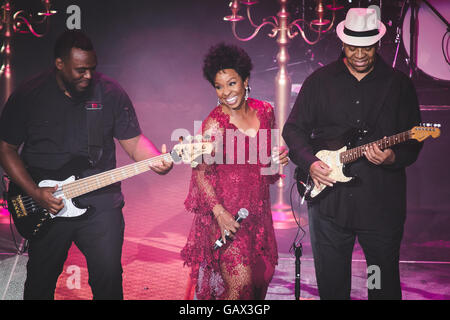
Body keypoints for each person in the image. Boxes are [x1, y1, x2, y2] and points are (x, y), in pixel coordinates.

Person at [0, 30, 173, 300]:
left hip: (101, 201)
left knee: (108, 282)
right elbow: (6, 149)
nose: (88, 76)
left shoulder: (110, 93)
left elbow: (134, 141)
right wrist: (35, 193)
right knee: (39, 283)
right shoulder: (29, 95)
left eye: (92, 69)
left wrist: (155, 160)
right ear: (59, 64)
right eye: (80, 70)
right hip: (47, 201)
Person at [282, 7, 423, 300]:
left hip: (381, 206)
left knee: (380, 285)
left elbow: (414, 141)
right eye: (353, 47)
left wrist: (392, 158)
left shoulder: (398, 85)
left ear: (378, 44)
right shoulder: (319, 82)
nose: (359, 54)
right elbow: (293, 131)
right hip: (329, 204)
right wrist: (311, 162)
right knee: (333, 289)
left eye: (367, 48)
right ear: (343, 43)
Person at [181, 43, 289, 300]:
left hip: (258, 215)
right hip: (227, 218)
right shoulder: (214, 125)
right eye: (219, 86)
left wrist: (278, 160)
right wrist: (219, 213)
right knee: (239, 287)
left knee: (259, 284)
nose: (226, 92)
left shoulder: (266, 112)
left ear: (246, 80)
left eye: (231, 83)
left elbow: (266, 168)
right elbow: (200, 173)